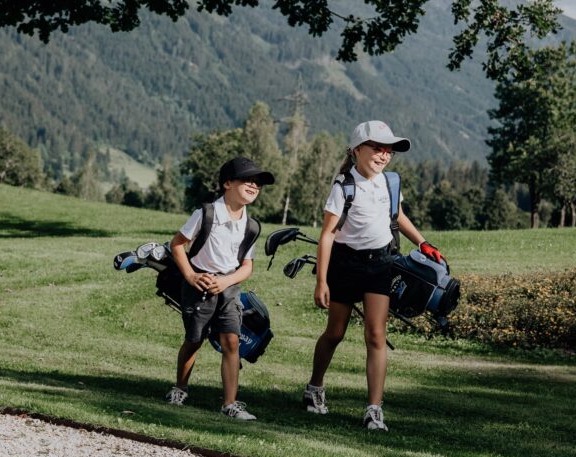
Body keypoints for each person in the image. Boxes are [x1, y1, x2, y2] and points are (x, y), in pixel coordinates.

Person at [302, 120, 445, 431]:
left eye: (389, 151)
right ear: (357, 150)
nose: (384, 155)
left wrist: (423, 243)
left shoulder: (390, 182)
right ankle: (314, 387)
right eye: (377, 148)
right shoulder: (344, 186)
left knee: (376, 335)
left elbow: (398, 215)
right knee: (335, 333)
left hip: (381, 264)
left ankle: (374, 409)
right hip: (345, 265)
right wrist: (321, 281)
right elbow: (327, 235)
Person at [164, 157, 275, 420]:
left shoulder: (251, 226)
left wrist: (226, 282)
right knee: (194, 340)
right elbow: (177, 244)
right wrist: (191, 276)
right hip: (199, 287)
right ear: (227, 183)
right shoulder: (206, 214)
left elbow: (247, 266)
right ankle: (180, 388)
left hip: (229, 288)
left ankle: (230, 404)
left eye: (257, 183)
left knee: (231, 341)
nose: (254, 186)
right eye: (247, 180)